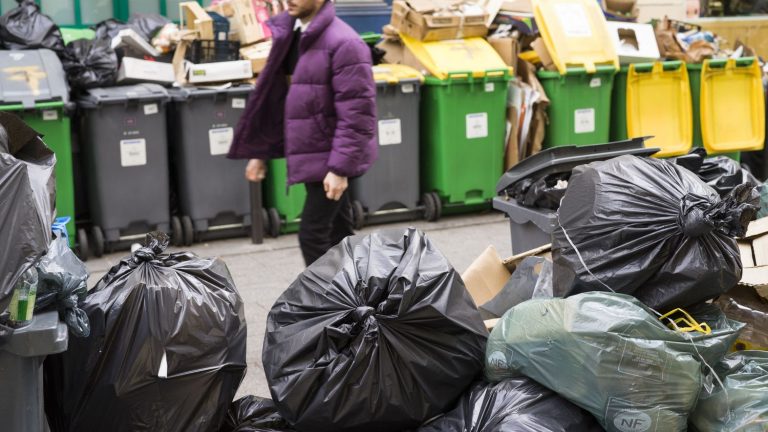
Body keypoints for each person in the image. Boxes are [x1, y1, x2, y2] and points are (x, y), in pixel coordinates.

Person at [229, 0, 377, 266]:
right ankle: (358, 297)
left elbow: (358, 114)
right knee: (340, 235)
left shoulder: (345, 43)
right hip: (315, 151)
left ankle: (326, 304)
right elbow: (276, 100)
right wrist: (259, 153)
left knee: (312, 234)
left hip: (332, 158)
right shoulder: (292, 35)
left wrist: (340, 169)